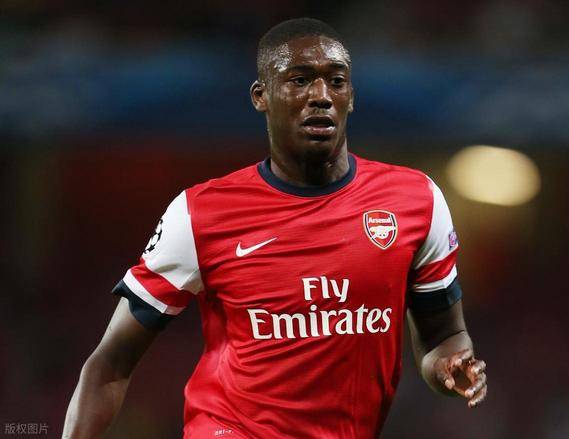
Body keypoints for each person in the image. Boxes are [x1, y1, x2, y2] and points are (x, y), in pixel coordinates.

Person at [63, 17, 487, 439]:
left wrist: (451, 366)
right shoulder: (200, 214)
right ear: (261, 96)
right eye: (299, 80)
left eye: (336, 81)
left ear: (351, 97)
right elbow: (110, 364)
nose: (320, 96)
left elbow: (444, 338)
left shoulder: (415, 201)